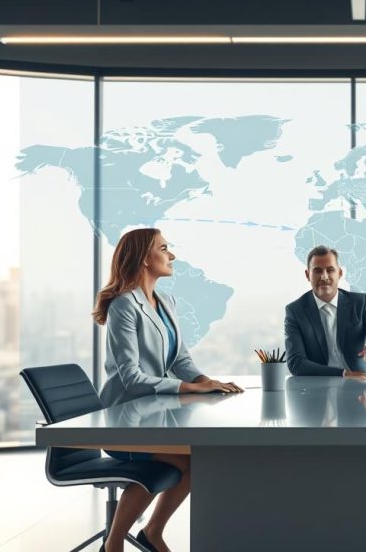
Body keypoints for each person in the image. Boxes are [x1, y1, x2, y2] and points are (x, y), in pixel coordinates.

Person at [93, 227, 242, 552]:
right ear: (145, 258)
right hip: (123, 422)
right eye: (163, 248)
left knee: (195, 459)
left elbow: (180, 358)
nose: (171, 255)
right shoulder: (124, 306)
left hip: (151, 419)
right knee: (186, 460)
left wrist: (207, 383)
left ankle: (150, 533)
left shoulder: (166, 301)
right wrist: (188, 387)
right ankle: (115, 543)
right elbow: (131, 377)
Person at [284, 245, 366, 380]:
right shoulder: (295, 311)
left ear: (340, 273)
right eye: (317, 271)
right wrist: (343, 374)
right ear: (308, 275)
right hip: (321, 387)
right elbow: (296, 363)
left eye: (330, 270)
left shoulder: (360, 303)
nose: (324, 277)